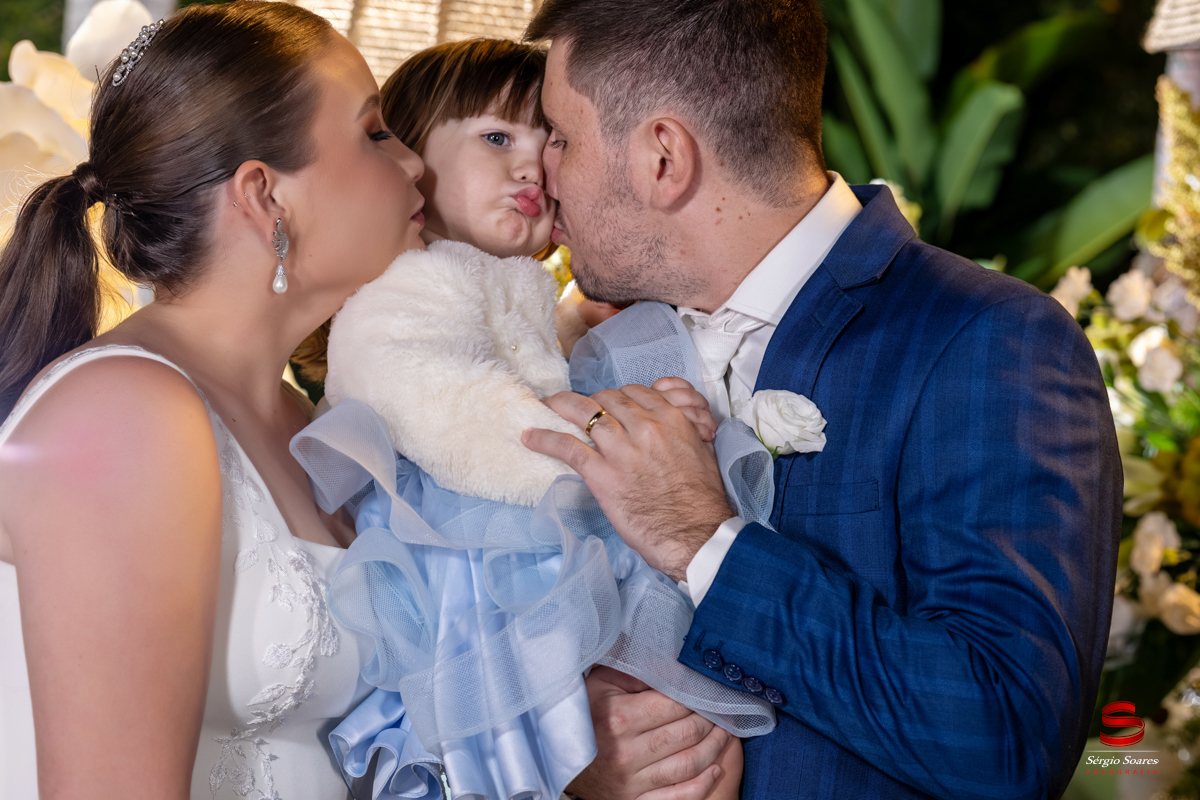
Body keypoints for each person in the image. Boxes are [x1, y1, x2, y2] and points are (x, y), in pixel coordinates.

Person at [519, 1, 1123, 799]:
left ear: (664, 157)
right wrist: (572, 748)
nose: (541, 172)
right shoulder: (591, 349)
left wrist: (701, 537)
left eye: (561, 137)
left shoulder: (986, 338)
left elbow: (1008, 738)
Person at [283, 37, 758, 800]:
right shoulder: (404, 289)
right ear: (409, 161)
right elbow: (443, 405)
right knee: (515, 739)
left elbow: (541, 374)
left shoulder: (522, 288)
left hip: (531, 541)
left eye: (551, 143)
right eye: (498, 139)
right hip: (467, 562)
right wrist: (608, 439)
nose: (532, 167)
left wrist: (641, 403)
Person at [0, 2, 425, 797]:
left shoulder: (305, 421)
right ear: (265, 195)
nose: (413, 163)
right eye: (374, 133)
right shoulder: (122, 416)